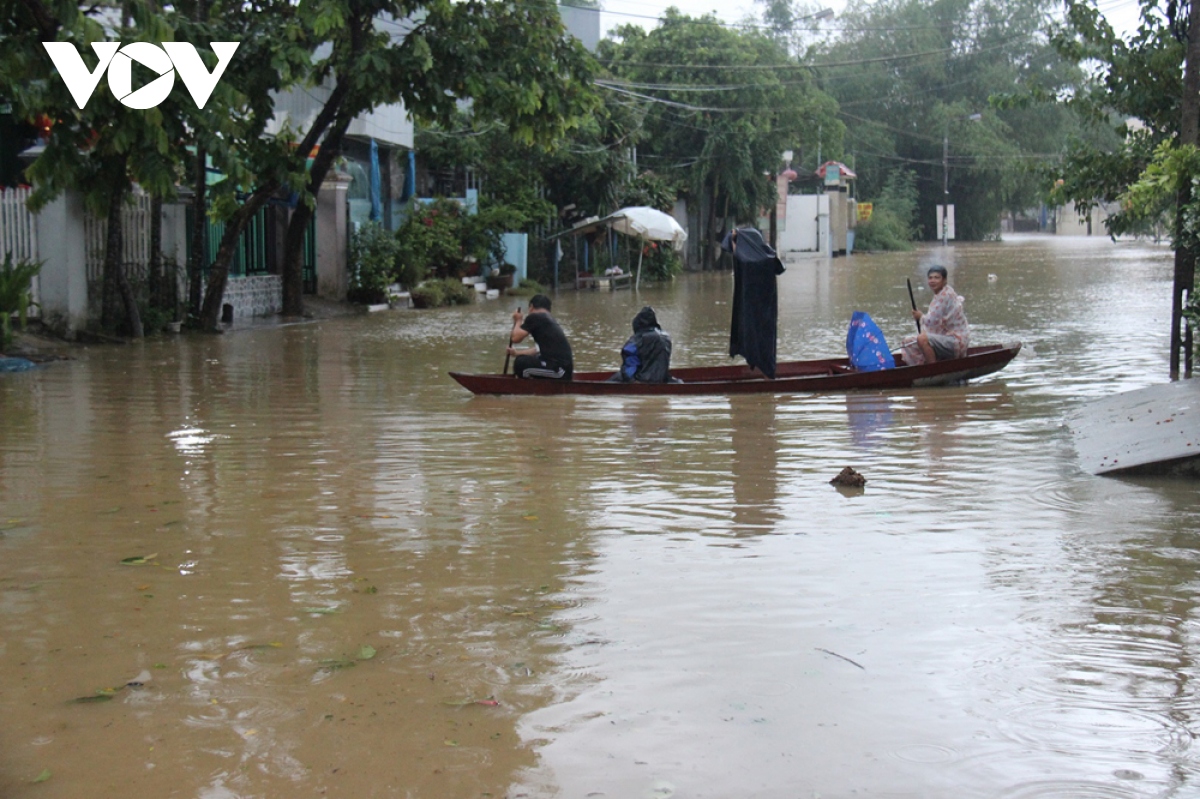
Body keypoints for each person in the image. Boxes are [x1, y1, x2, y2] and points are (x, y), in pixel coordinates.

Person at [901, 265, 969, 365]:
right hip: (945, 338)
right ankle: (922, 366)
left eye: (937, 278)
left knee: (922, 339)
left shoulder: (945, 295)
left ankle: (932, 369)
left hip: (956, 342)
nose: (933, 281)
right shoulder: (940, 294)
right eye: (930, 278)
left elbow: (931, 322)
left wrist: (920, 317)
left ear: (944, 280)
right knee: (908, 342)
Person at [508, 294, 574, 380]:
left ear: (531, 307)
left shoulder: (535, 316)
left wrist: (518, 320)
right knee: (524, 358)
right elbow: (537, 350)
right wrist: (516, 353)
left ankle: (529, 389)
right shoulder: (549, 319)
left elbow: (515, 338)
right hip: (565, 370)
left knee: (520, 364)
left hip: (559, 371)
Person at [607, 305, 677, 383]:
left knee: (612, 381)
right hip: (662, 379)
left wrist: (632, 381)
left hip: (642, 380)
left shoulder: (639, 338)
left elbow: (629, 361)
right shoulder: (665, 336)